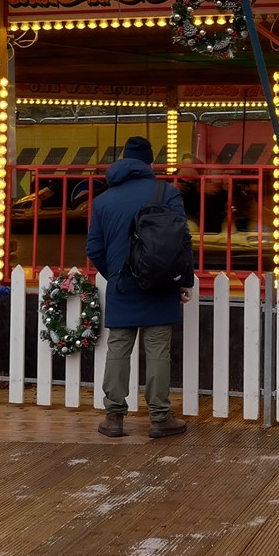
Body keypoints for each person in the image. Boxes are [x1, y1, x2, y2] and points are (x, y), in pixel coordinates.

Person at [86, 136, 189, 439]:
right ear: (150, 163)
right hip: (161, 283)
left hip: (122, 284)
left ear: (123, 160)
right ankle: (160, 418)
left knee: (119, 347)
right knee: (157, 350)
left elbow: (94, 248)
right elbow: (182, 241)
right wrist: (183, 280)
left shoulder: (103, 200)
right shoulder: (166, 192)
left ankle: (114, 417)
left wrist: (116, 274)